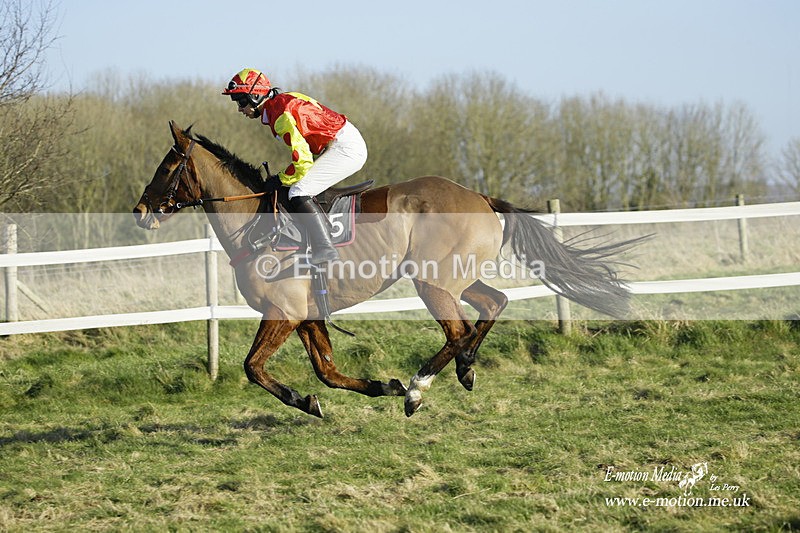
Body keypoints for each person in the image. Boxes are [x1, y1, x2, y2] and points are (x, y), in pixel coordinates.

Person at [222, 68, 368, 264]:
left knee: (298, 191)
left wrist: (280, 179)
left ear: (255, 96)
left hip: (345, 148)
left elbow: (302, 161)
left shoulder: (280, 115)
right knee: (297, 186)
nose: (240, 109)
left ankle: (325, 248)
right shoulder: (281, 101)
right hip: (340, 141)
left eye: (241, 102)